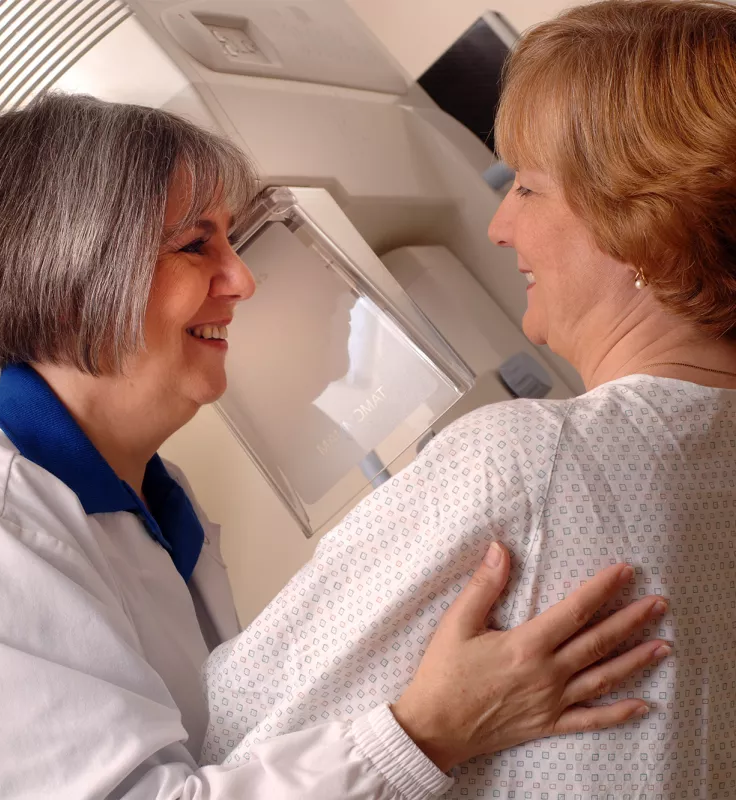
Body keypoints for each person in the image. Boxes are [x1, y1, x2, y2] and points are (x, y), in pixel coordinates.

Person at [0, 94, 669, 800]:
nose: (243, 280)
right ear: (70, 283)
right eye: (197, 246)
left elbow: (222, 749)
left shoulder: (156, 493)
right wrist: (426, 733)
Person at [196, 0, 736, 797]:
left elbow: (229, 729)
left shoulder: (524, 461)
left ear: (636, 222)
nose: (501, 226)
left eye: (526, 188)